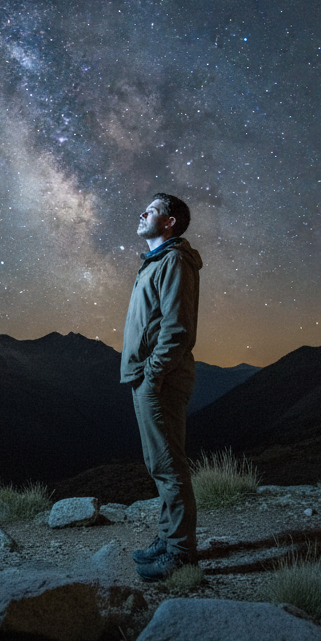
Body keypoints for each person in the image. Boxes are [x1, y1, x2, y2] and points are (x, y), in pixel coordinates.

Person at [120, 193, 202, 582]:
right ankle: (169, 537)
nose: (142, 212)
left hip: (160, 378)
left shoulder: (173, 261)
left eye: (151, 210)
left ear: (169, 222)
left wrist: (153, 374)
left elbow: (177, 327)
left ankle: (182, 553)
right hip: (147, 376)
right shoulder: (156, 262)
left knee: (168, 465)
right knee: (159, 463)